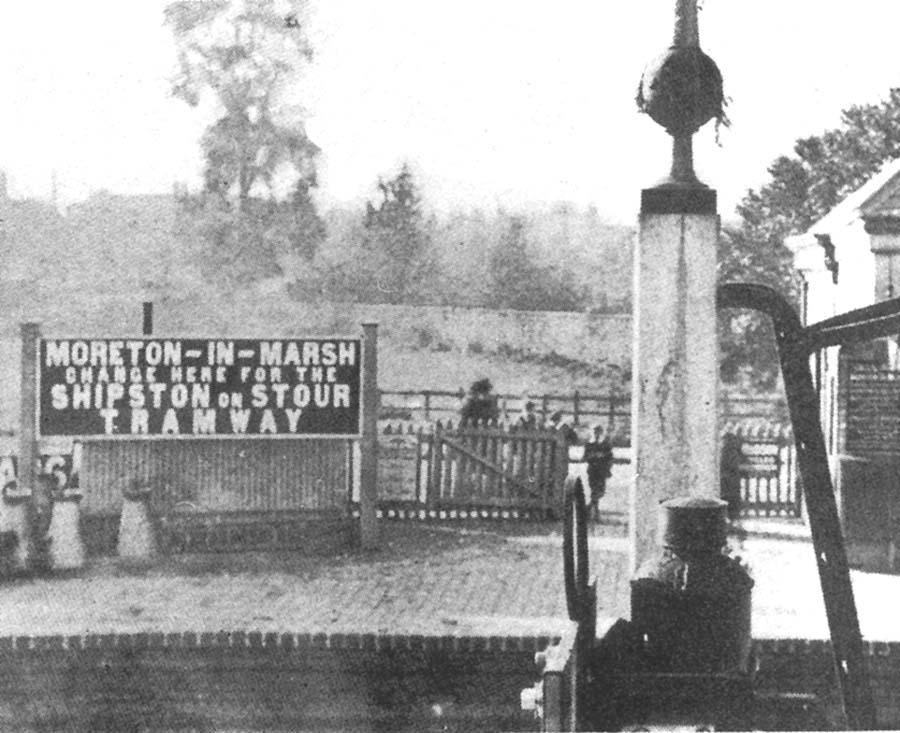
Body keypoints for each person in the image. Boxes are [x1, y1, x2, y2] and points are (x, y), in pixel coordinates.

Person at [583, 423, 614, 521]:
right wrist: (594, 456)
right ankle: (595, 514)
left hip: (602, 471)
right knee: (594, 491)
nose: (596, 434)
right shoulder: (589, 444)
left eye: (598, 432)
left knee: (600, 492)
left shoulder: (606, 444)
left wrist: (608, 468)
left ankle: (588, 510)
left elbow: (610, 458)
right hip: (592, 470)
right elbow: (585, 457)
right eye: (594, 432)